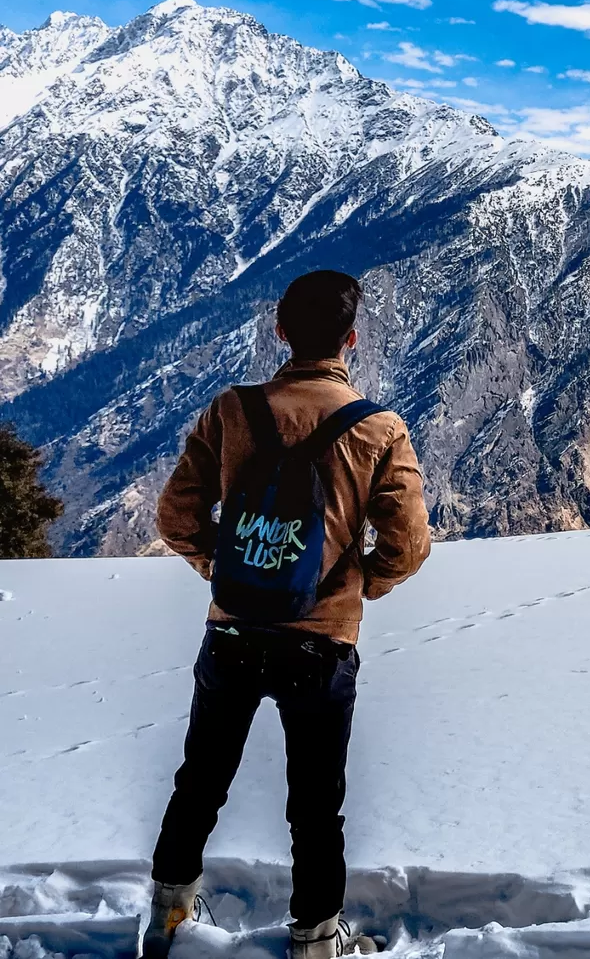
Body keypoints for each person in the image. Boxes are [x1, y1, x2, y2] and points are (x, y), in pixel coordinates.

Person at [145, 270, 431, 959]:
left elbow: (175, 516)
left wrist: (226, 571)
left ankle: (168, 922)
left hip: (233, 630)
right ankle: (315, 942)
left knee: (199, 783)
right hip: (322, 642)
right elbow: (409, 544)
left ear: (279, 332)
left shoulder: (230, 411)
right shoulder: (380, 430)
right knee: (315, 805)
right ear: (352, 339)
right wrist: (359, 586)